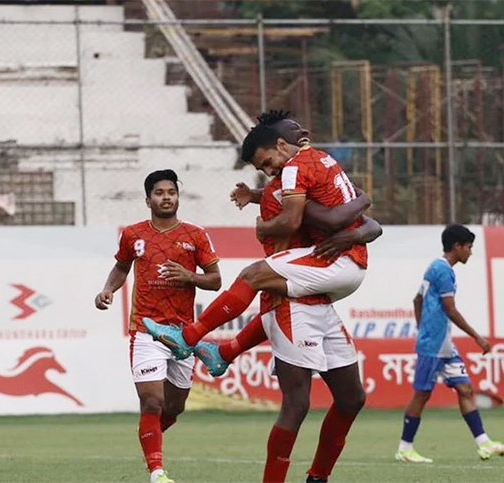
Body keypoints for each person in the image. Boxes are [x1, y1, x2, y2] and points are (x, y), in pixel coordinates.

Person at [143, 111, 369, 360]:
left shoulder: (296, 170)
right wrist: (253, 195)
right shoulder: (320, 163)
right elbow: (369, 223)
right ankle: (226, 352)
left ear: (280, 142)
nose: (302, 133)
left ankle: (188, 338)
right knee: (350, 398)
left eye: (267, 163)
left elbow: (318, 219)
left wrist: (264, 229)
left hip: (331, 264)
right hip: (337, 268)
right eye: (262, 168)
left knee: (256, 281)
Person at [94, 169, 221, 483]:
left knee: (174, 407)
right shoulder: (133, 234)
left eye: (171, 192)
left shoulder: (195, 235)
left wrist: (190, 277)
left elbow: (216, 281)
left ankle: (150, 436)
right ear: (148, 199)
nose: (167, 197)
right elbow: (122, 267)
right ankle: (157, 471)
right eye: (160, 192)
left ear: (177, 196)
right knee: (152, 400)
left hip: (183, 335)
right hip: (146, 330)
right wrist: (109, 288)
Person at [394, 224, 504, 463]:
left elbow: (417, 299)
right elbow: (450, 309)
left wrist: (422, 327)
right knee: (422, 394)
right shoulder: (443, 271)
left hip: (443, 343)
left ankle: (484, 443)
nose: (470, 252)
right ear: (457, 247)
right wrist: (477, 337)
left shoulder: (435, 267)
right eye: (469, 247)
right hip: (433, 345)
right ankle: (405, 448)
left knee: (465, 388)